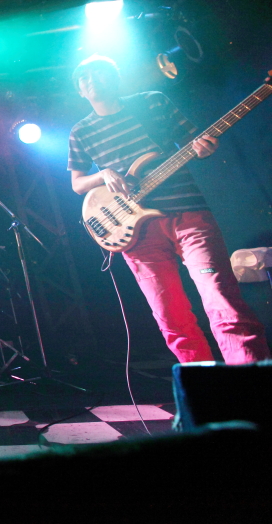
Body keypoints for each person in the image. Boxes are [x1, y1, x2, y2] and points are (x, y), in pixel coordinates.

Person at [67, 55, 269, 364]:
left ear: (116, 78)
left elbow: (194, 142)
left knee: (222, 299)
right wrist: (103, 174)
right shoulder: (80, 131)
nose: (92, 79)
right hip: (135, 230)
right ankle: (200, 386)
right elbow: (77, 183)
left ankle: (253, 378)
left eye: (99, 72)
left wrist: (205, 147)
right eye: (84, 77)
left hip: (188, 214)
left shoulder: (152, 102)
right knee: (170, 317)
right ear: (80, 91)